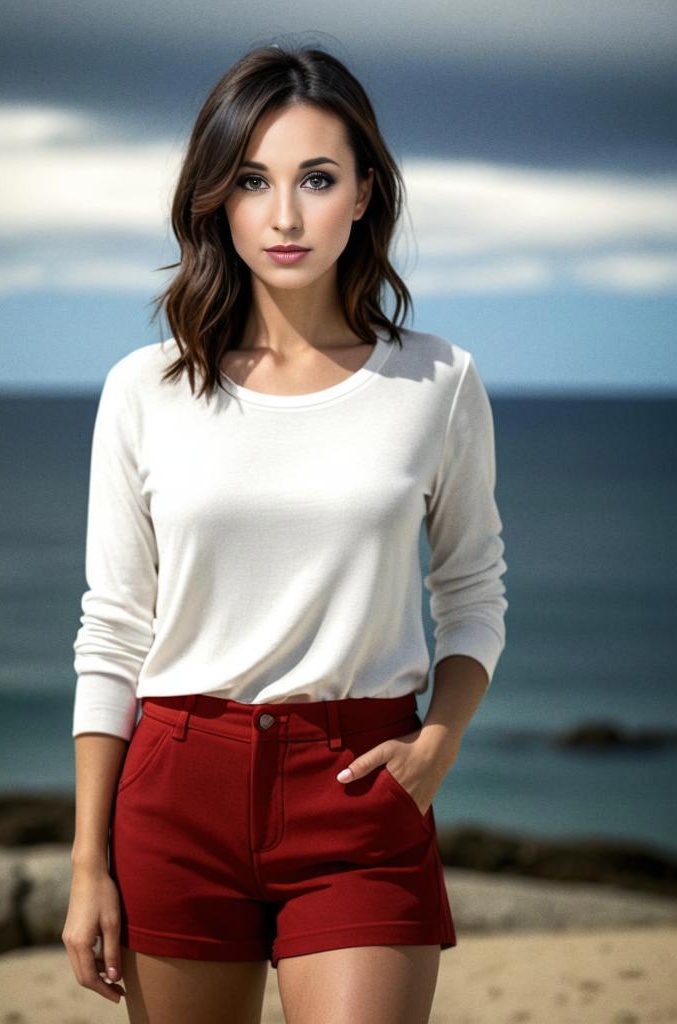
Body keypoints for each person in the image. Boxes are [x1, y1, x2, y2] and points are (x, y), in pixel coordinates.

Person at [62, 42, 508, 1024]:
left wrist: (438, 741)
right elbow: (113, 627)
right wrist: (88, 861)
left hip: (361, 790)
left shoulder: (437, 383)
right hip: (177, 788)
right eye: (254, 181)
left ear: (364, 195)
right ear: (217, 199)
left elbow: (472, 591)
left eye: (317, 178)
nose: (287, 213)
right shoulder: (146, 390)